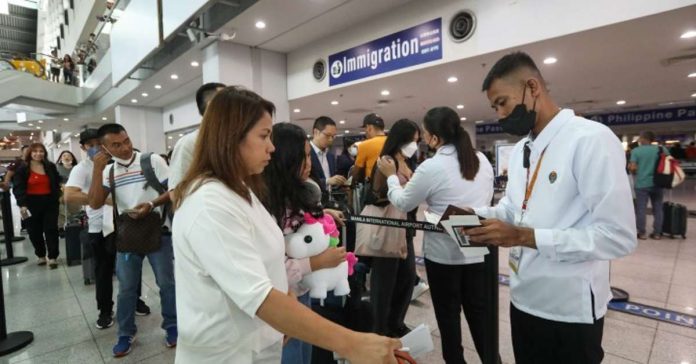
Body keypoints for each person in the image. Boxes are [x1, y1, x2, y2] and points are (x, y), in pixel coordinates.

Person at [172, 86, 401, 363]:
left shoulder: (241, 190)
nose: (271, 146)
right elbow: (259, 296)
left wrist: (287, 296)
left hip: (259, 342)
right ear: (231, 137)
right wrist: (352, 343)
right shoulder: (210, 204)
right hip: (229, 352)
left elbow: (265, 263)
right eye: (264, 136)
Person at [467, 51, 636, 364]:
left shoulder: (590, 140)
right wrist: (471, 216)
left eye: (502, 102)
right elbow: (513, 209)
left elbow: (618, 236)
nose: (500, 115)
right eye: (494, 107)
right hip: (523, 300)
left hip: (569, 311)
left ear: (533, 88)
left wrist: (525, 237)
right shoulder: (521, 151)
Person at [376, 107, 494, 363]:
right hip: (477, 250)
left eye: (426, 134)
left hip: (443, 256)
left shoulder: (432, 166)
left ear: (435, 138)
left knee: (449, 319)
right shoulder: (481, 160)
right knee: (481, 317)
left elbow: (404, 202)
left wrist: (391, 179)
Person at [87, 124, 177, 357]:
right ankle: (125, 332)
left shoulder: (152, 161)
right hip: (128, 234)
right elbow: (95, 202)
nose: (125, 147)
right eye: (116, 145)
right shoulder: (109, 171)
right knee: (126, 289)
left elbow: (174, 191)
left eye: (126, 140)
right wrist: (98, 169)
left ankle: (172, 326)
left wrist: (151, 204)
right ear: (105, 148)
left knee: (167, 284)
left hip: (158, 230)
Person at [262, 122, 347, 364]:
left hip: (304, 291)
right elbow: (272, 269)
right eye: (304, 156)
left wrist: (325, 214)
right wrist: (318, 262)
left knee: (304, 356)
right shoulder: (267, 206)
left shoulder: (302, 193)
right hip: (281, 299)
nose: (309, 163)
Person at [65, 129, 151, 330]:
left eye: (99, 143)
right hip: (98, 226)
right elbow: (69, 195)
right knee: (103, 270)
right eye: (90, 144)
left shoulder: (117, 162)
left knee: (132, 265)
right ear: (83, 147)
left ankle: (136, 300)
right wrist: (100, 198)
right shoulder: (82, 168)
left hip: (124, 224)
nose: (95, 148)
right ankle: (104, 310)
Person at [366, 119, 420, 338]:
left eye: (417, 141)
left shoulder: (408, 162)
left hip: (405, 229)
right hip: (388, 229)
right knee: (384, 284)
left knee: (407, 279)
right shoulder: (386, 162)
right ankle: (379, 328)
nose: (415, 145)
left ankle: (396, 322)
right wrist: (397, 186)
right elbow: (377, 195)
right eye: (412, 140)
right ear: (401, 139)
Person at [168, 82, 226, 193]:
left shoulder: (232, 142)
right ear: (211, 106)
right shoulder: (189, 143)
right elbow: (175, 193)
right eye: (228, 102)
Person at [12, 143, 62, 269]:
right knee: (34, 231)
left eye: (41, 151)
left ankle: (53, 257)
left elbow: (56, 182)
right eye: (35, 151)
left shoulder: (50, 166)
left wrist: (59, 194)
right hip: (30, 203)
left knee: (51, 229)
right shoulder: (23, 168)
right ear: (30, 153)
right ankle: (40, 255)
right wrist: (22, 204)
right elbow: (18, 187)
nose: (38, 153)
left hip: (50, 202)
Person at [628, 131, 666, 240]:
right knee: (658, 208)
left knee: (641, 209)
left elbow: (633, 167)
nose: (639, 140)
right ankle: (657, 233)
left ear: (644, 139)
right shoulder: (661, 149)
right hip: (658, 183)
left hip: (642, 183)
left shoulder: (636, 151)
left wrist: (635, 170)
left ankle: (642, 233)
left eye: (640, 138)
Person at [309, 116, 346, 202]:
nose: (330, 139)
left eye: (333, 136)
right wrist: (327, 181)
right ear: (316, 132)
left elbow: (331, 179)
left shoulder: (330, 156)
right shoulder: (305, 153)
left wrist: (338, 182)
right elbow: (303, 181)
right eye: (327, 135)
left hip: (328, 202)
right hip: (311, 202)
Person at [352, 113, 387, 185]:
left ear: (369, 127)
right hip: (392, 185)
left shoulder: (364, 145)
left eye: (365, 128)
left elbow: (356, 172)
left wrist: (350, 183)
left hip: (374, 187)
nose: (365, 131)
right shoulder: (393, 142)